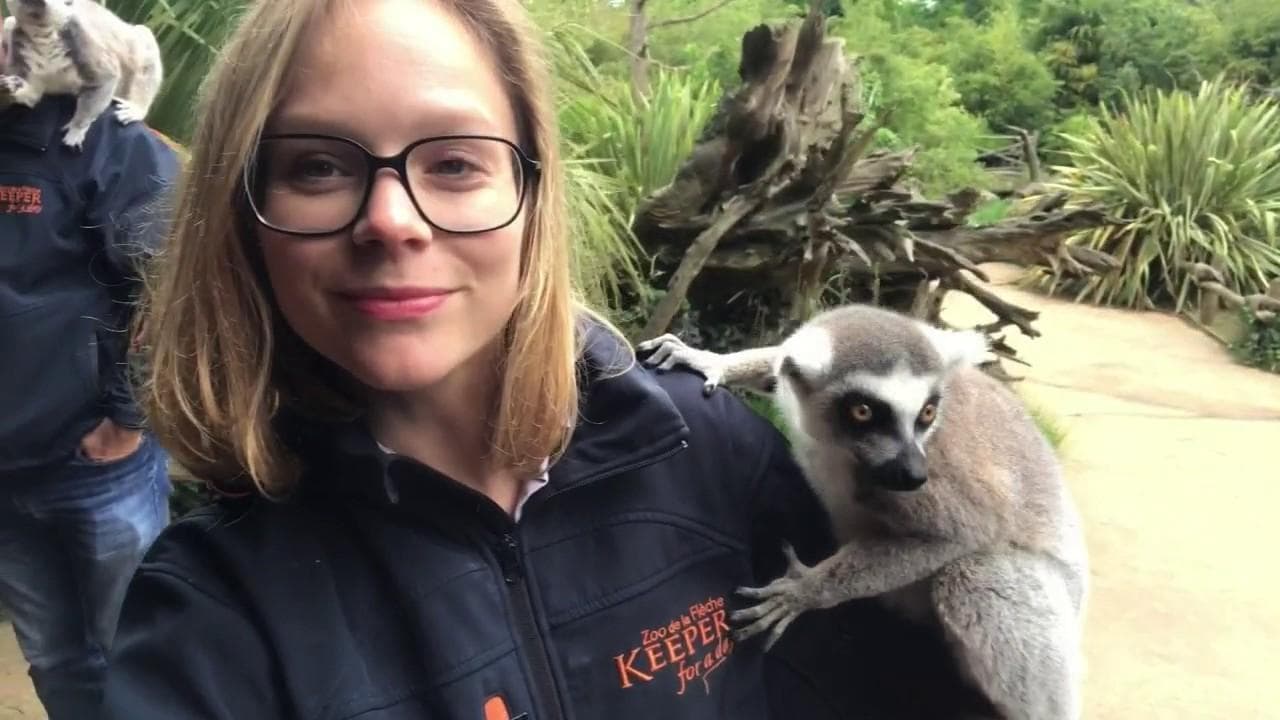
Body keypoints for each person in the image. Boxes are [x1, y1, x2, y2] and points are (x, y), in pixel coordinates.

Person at [100, 1, 992, 718]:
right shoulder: (212, 618)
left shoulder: (708, 452)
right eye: (318, 167)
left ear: (534, 194)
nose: (391, 220)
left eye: (453, 164)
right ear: (245, 218)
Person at [0, 46, 179, 720]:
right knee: (55, 659)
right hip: (6, 479)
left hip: (97, 464)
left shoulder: (111, 143)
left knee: (139, 647)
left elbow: (170, 285)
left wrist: (127, 419)